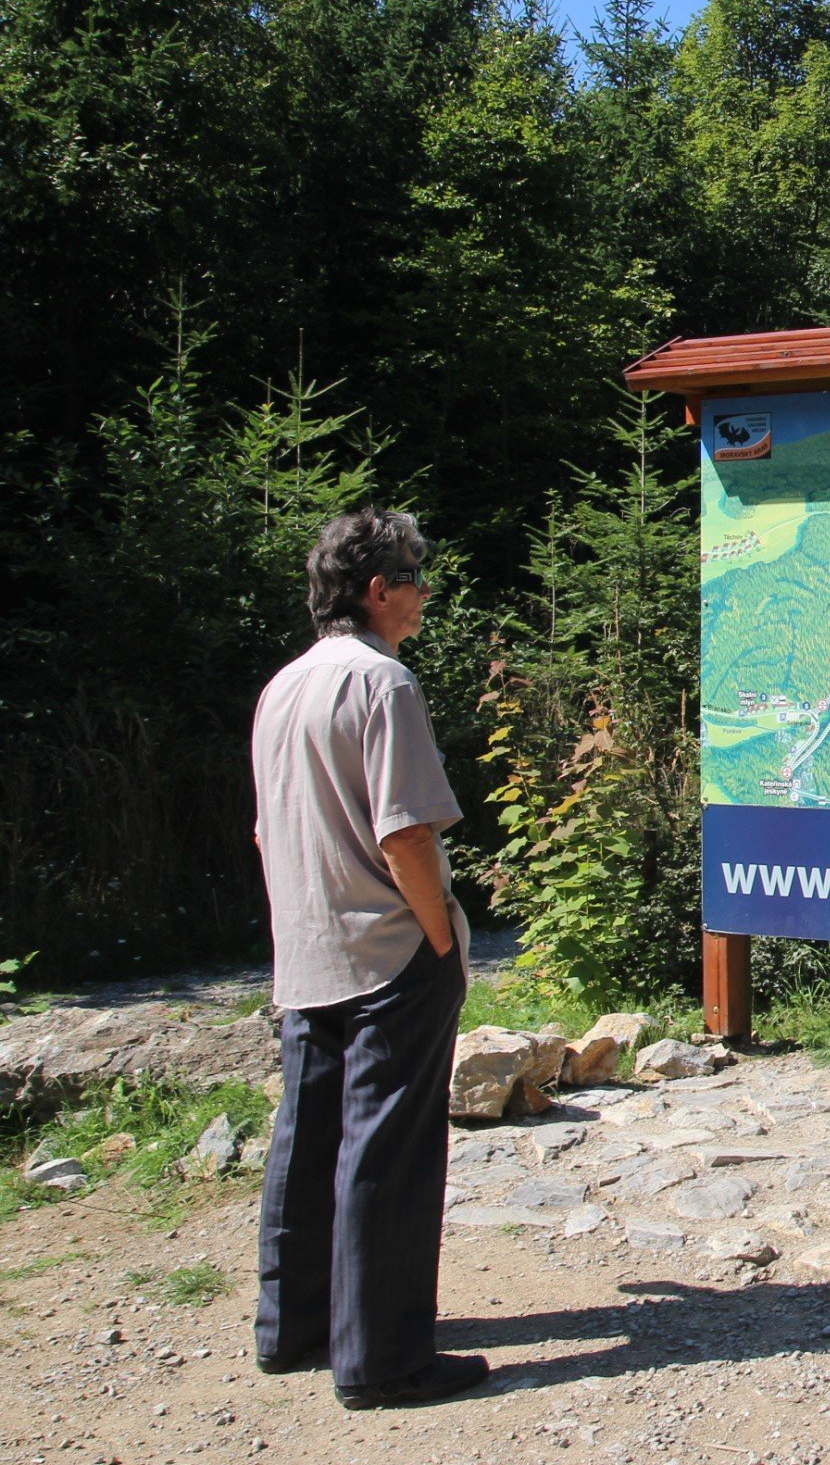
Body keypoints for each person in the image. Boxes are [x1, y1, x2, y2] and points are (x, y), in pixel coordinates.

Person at [249, 507, 489, 1408]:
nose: (426, 594)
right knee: (388, 1151)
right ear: (378, 591)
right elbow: (407, 835)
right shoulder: (383, 685)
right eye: (416, 578)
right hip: (389, 948)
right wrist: (439, 939)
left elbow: (268, 830)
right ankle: (385, 1360)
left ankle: (294, 1328)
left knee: (306, 1141)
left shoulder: (284, 686)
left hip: (307, 947)